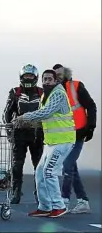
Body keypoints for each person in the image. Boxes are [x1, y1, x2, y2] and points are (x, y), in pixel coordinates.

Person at [14, 69, 75, 218]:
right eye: (45, 79)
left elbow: (46, 112)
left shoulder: (58, 94)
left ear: (56, 81)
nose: (47, 81)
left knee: (49, 171)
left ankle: (59, 206)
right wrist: (29, 124)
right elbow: (44, 118)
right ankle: (45, 206)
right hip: (51, 141)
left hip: (63, 140)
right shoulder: (45, 96)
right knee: (40, 173)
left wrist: (24, 117)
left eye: (49, 79)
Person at [53, 64, 97, 214]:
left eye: (60, 74)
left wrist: (91, 126)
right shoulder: (53, 91)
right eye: (55, 75)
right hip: (63, 135)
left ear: (66, 74)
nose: (58, 77)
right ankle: (83, 201)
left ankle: (64, 199)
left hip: (78, 133)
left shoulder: (76, 86)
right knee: (71, 167)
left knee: (67, 164)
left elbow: (91, 105)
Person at [2, 64, 44, 204]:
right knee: (17, 165)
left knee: (38, 166)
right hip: (19, 133)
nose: (28, 78)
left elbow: (48, 112)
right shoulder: (15, 92)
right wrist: (9, 131)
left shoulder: (42, 92)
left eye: (30, 76)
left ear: (35, 77)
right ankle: (16, 191)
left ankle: (40, 193)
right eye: (26, 76)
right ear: (21, 77)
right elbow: (7, 113)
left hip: (37, 133)